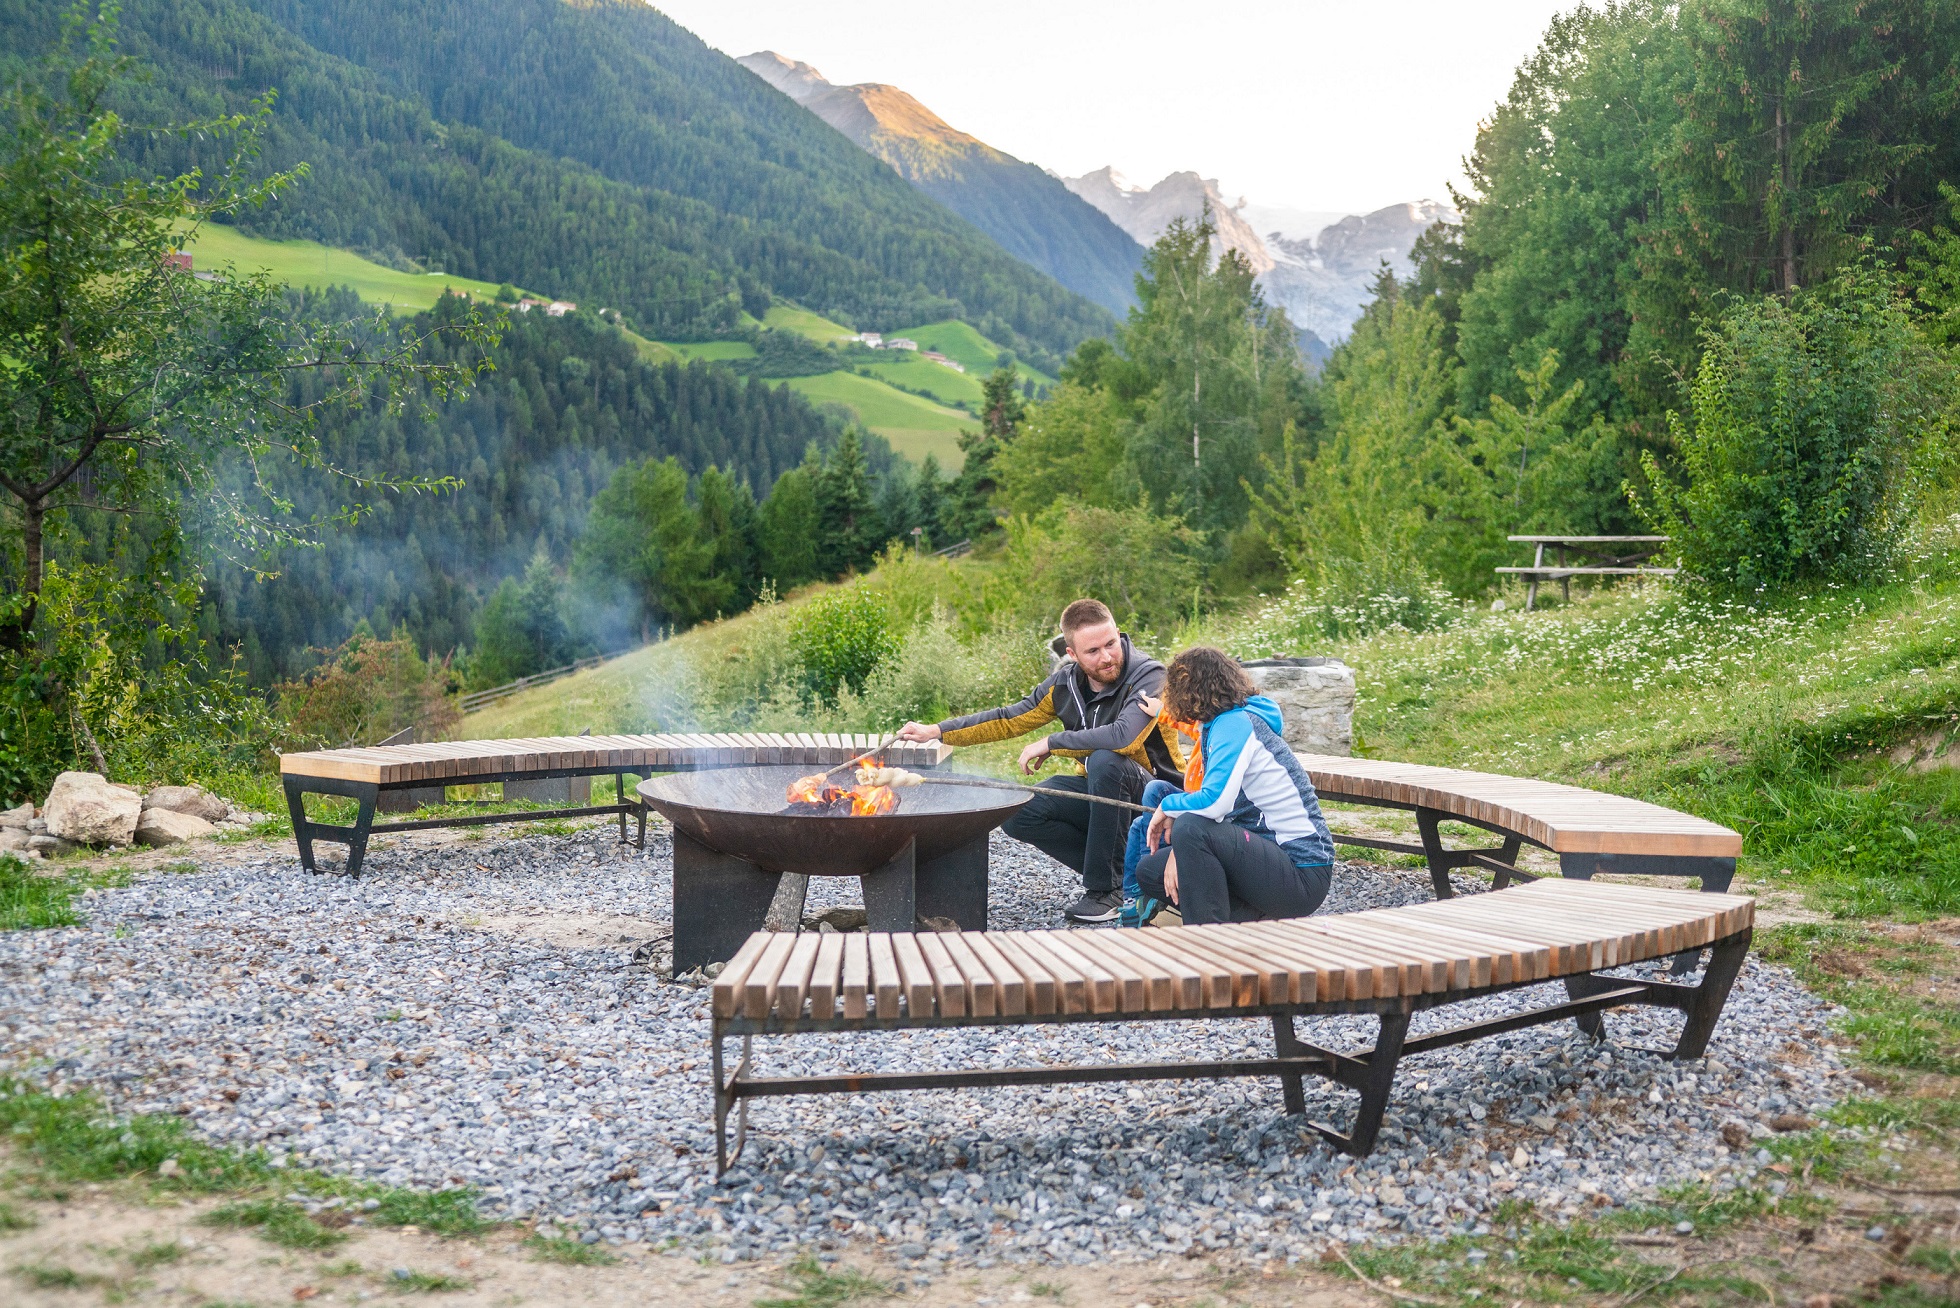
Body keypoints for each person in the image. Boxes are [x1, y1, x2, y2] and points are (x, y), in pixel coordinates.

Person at [895, 598, 1185, 922]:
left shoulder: (1148, 675)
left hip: (1158, 801)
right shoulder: (1064, 684)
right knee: (1022, 811)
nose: (1106, 657)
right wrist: (937, 730)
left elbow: (1123, 737)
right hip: (1105, 798)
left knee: (1106, 761)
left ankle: (1109, 890)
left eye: (1111, 644)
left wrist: (1052, 742)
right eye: (1093, 651)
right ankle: (1131, 875)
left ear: (1118, 633)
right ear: (1072, 654)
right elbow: (1010, 718)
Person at [1133, 646, 1335, 925]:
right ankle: (1243, 925)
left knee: (1191, 827)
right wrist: (1180, 849)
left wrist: (1167, 807)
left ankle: (1209, 940)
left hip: (1301, 870)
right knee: (1150, 871)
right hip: (1267, 856)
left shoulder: (1234, 724)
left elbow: (1216, 802)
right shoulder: (1221, 723)